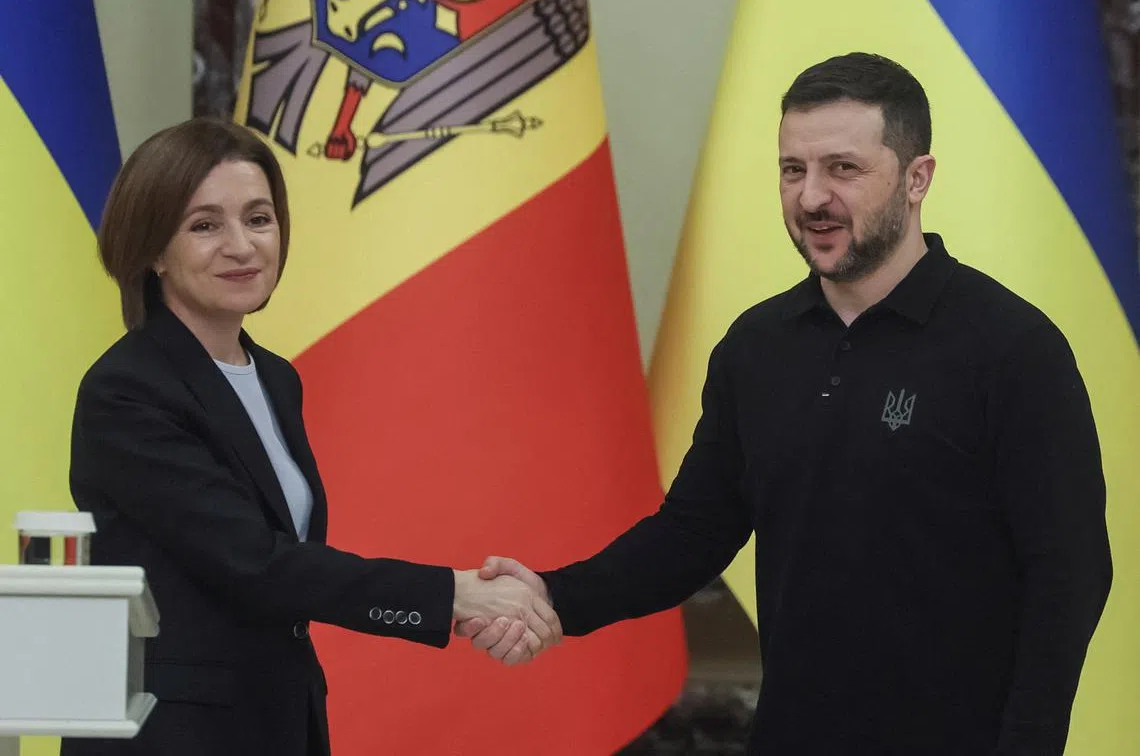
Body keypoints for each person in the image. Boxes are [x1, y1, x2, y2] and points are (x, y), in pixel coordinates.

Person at [459, 52, 1112, 755]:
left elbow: (1070, 572)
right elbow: (691, 535)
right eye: (793, 170)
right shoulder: (756, 347)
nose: (811, 198)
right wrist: (554, 596)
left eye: (843, 169)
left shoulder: (1012, 347)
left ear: (917, 178)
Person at [61, 118, 558, 756]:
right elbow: (254, 563)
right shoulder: (126, 392)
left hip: (278, 721)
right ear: (154, 249)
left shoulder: (273, 377)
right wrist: (450, 594)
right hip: (172, 733)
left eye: (259, 218)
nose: (241, 246)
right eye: (205, 224)